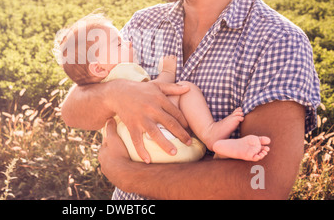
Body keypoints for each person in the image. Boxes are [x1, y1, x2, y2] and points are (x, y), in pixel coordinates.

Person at [61, 0, 321, 200]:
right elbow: (72, 110)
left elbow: (263, 184)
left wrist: (128, 175)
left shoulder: (278, 42)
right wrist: (115, 94)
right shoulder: (143, 23)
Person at [54, 14, 271, 163]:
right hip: (163, 145)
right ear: (99, 68)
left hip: (142, 156)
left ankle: (222, 153)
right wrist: (167, 71)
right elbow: (155, 91)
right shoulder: (122, 73)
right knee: (185, 89)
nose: (128, 43)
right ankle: (211, 135)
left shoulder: (99, 86)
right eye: (119, 44)